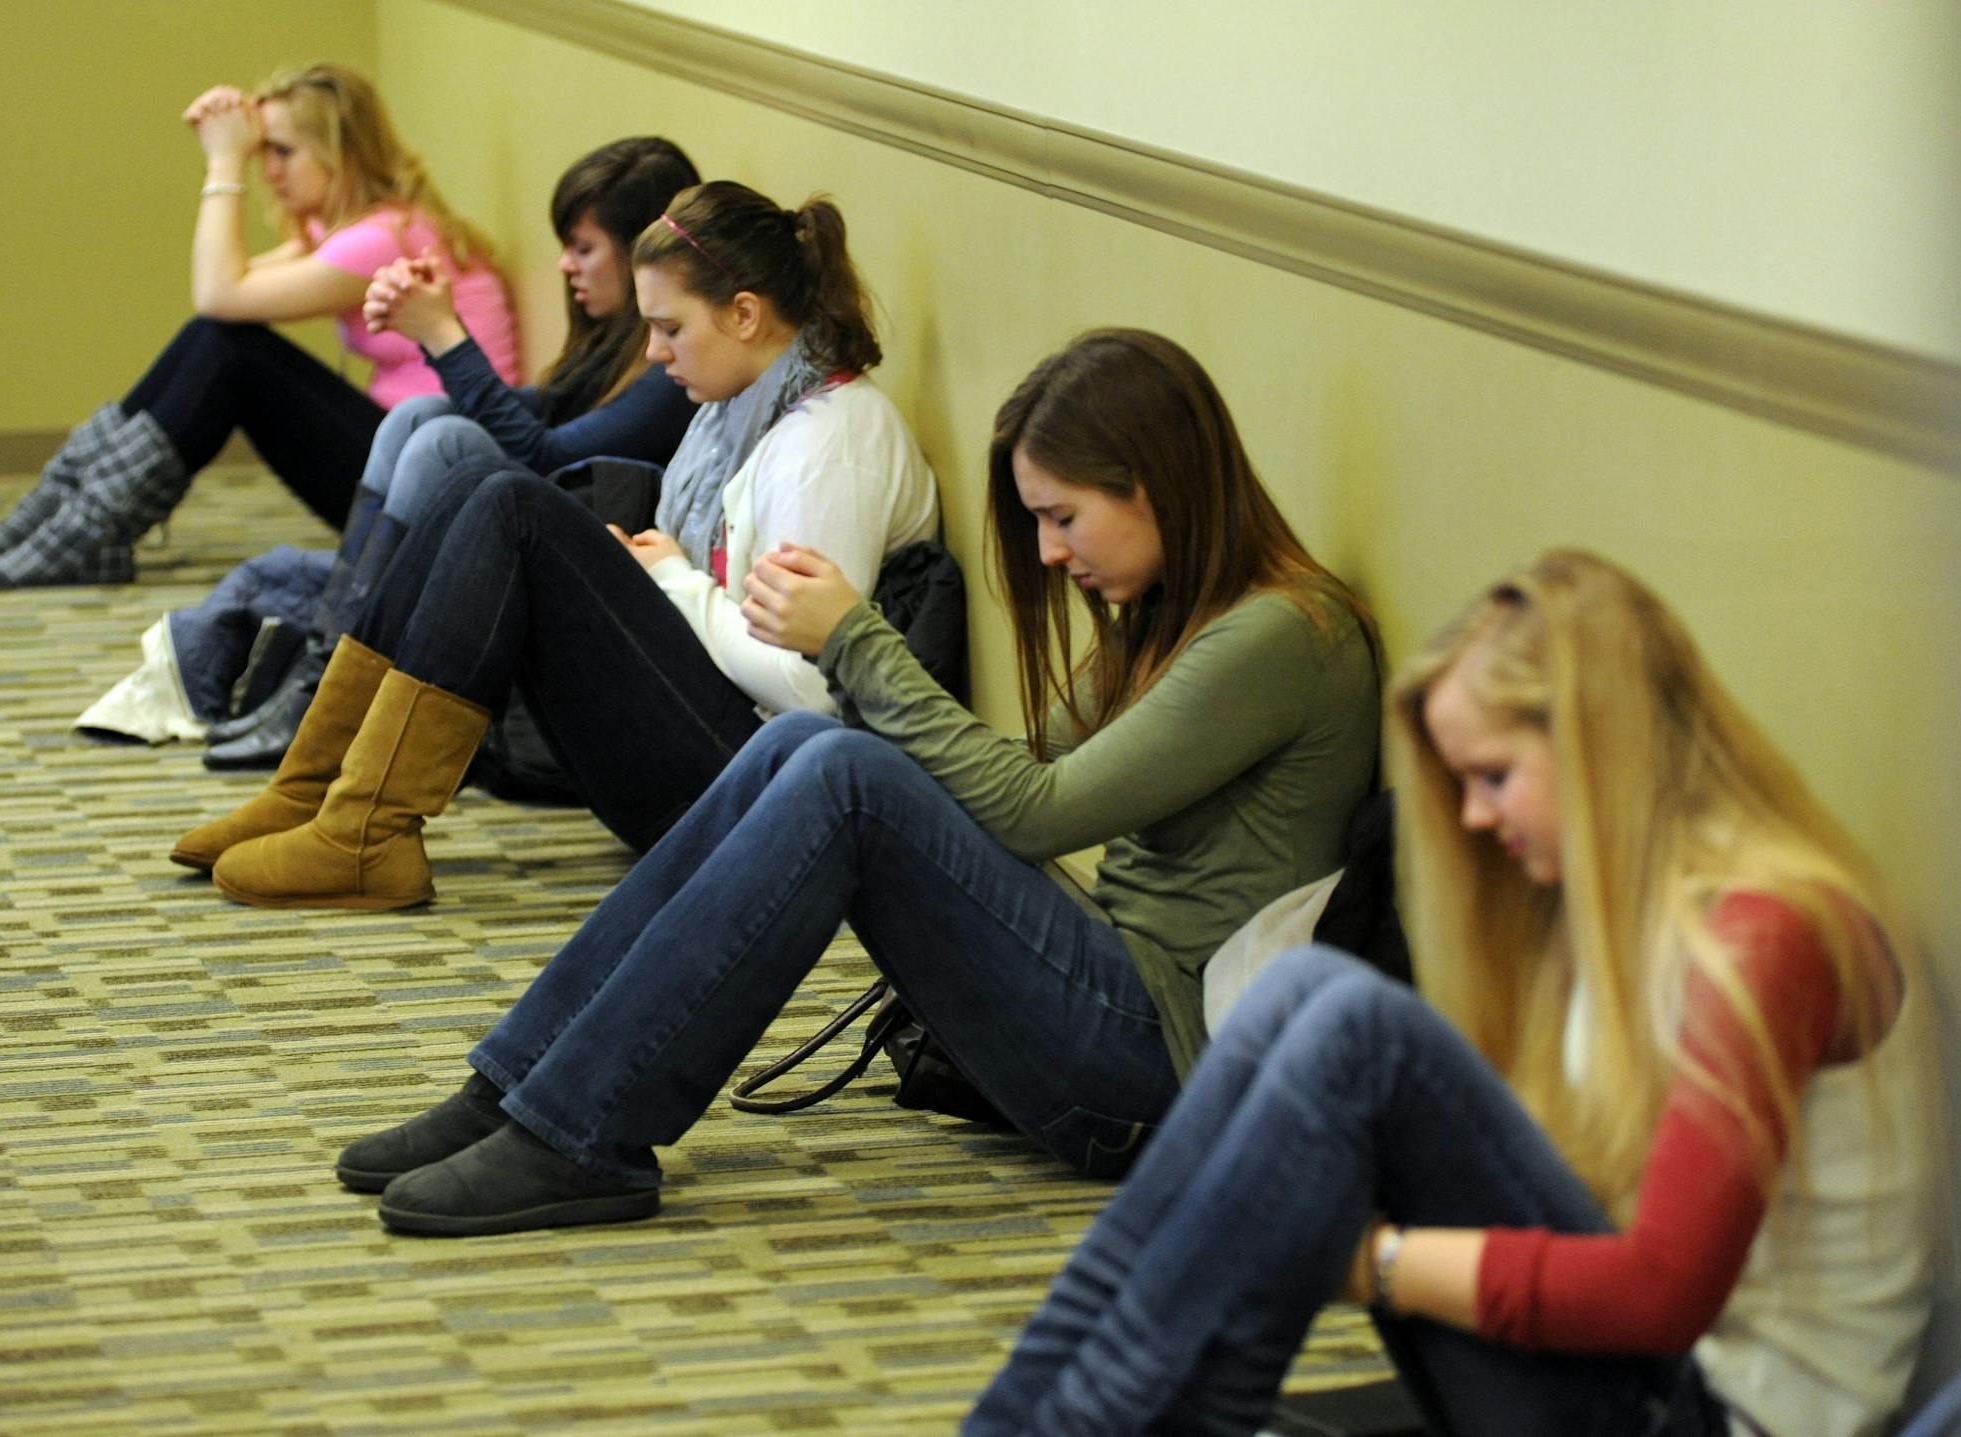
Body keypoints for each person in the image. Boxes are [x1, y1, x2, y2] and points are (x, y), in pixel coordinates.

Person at [305, 327, 1382, 1239]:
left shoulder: (1282, 637)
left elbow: (1035, 809)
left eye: (1065, 518)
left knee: (847, 779)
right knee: (796, 754)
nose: (1051, 555)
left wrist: (860, 644)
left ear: (1162, 489)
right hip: (1113, 999)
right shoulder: (1176, 618)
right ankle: (520, 1086)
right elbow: (1023, 775)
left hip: (1155, 1075)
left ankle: (583, 1131)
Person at [965, 549, 1939, 1437]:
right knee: (1305, 987)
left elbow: (1661, 1292)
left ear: (1603, 745)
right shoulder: (1634, 915)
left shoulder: (1771, 934)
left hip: (1715, 1417)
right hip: (1638, 1381)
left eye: (1496, 777)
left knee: (1356, 1027)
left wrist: (1376, 1261)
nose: (1475, 817)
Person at [169, 179, 945, 898]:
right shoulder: (735, 405)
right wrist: (633, 577)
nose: (652, 352)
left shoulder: (829, 445)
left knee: (513, 501)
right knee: (474, 483)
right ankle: (315, 787)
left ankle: (366, 826)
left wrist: (670, 584)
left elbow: (815, 693)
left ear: (745, 314)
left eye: (670, 327)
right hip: (720, 734)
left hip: (768, 790)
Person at [150, 138, 702, 767]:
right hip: (535, 536)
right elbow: (539, 411)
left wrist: (443, 337)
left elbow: (545, 458)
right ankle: (325, 682)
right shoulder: (610, 347)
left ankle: (331, 692)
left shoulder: (671, 372)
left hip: (592, 576)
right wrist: (446, 337)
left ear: (641, 254)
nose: (564, 266)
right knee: (422, 414)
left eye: (583, 248)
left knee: (445, 436)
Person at [0, 63, 518, 589]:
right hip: (411, 458)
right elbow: (223, 291)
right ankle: (64, 518)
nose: (267, 171)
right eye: (261, 151)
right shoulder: (371, 228)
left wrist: (222, 162)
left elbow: (219, 293)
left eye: (282, 151)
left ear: (336, 151)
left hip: (433, 491)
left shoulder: (377, 242)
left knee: (228, 349)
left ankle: (85, 528)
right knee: (212, 339)